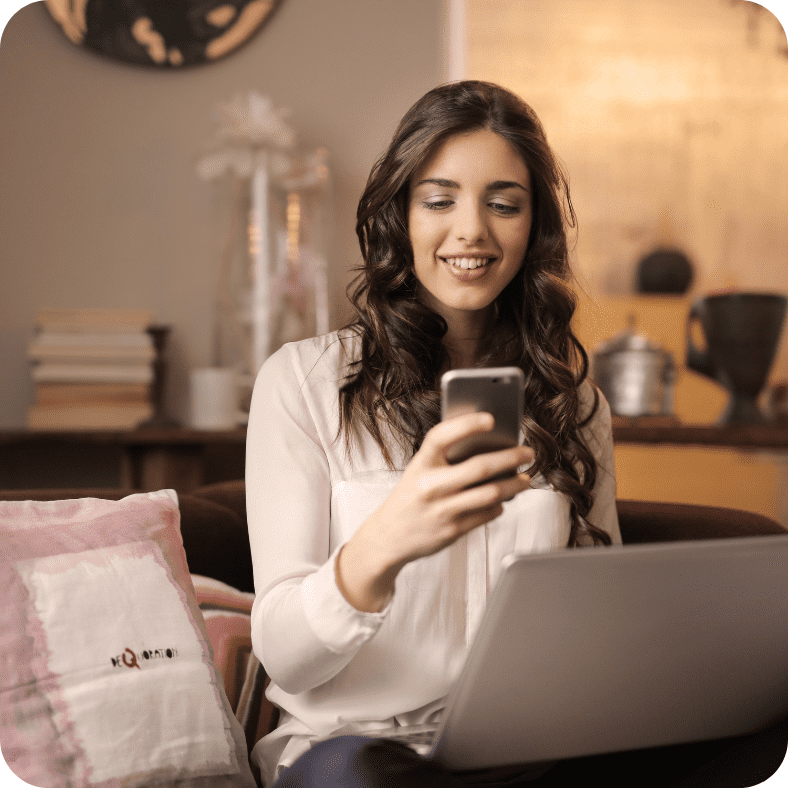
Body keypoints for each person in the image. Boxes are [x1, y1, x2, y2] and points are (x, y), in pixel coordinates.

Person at [245, 80, 622, 787]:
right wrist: (387, 543)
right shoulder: (303, 383)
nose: (472, 231)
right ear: (400, 217)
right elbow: (285, 656)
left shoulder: (576, 406)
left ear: (532, 226)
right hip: (353, 751)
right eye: (440, 200)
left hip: (518, 745)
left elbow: (597, 623)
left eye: (503, 204)